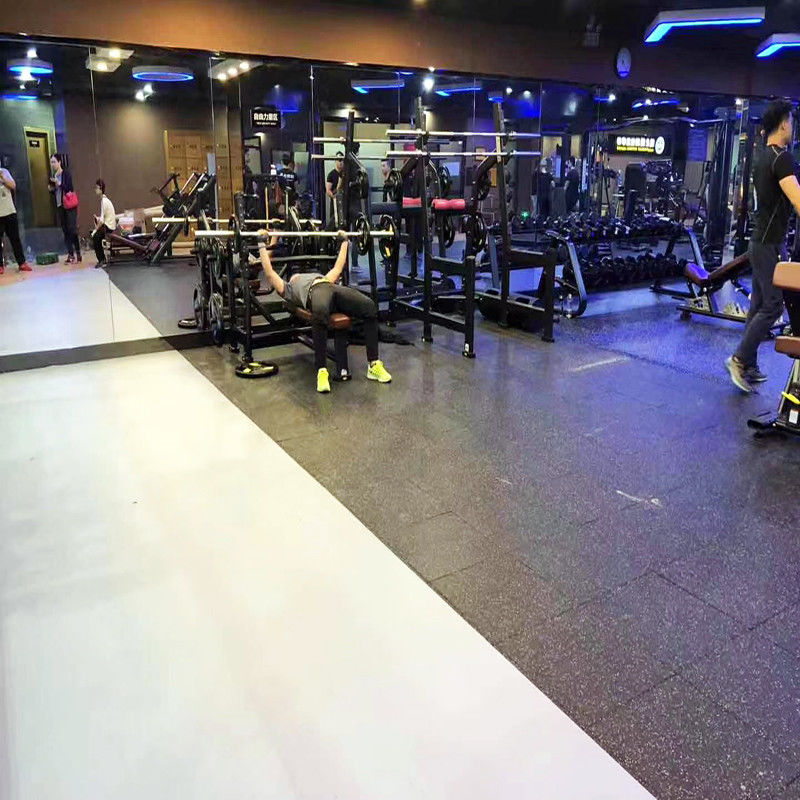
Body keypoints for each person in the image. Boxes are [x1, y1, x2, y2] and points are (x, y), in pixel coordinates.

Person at [257, 229, 392, 393]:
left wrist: (344, 241)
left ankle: (373, 364)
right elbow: (269, 273)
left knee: (369, 306)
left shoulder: (322, 277)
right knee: (320, 314)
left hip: (331, 288)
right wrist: (261, 244)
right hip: (315, 294)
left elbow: (338, 267)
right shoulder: (288, 288)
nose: (298, 275)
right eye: (295, 275)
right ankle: (322, 371)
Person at [726, 100, 800, 393]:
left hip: (760, 241)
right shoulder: (781, 159)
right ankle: (738, 359)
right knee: (773, 305)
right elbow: (797, 200)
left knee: (758, 305)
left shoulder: (761, 156)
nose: (793, 127)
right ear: (783, 123)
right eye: (791, 121)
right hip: (769, 244)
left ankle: (749, 364)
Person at [48, 153, 81, 263]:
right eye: (51, 162)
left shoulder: (65, 174)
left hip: (69, 205)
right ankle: (70, 254)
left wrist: (59, 183)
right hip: (60, 205)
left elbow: (69, 188)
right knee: (65, 230)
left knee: (72, 230)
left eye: (54, 162)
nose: (52, 164)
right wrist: (52, 189)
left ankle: (78, 252)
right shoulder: (53, 175)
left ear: (59, 162)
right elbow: (56, 191)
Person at [0, 166, 32, 274]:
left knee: (15, 239)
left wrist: (3, 179)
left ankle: (21, 263)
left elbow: (13, 185)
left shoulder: (4, 172)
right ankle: (0, 266)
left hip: (10, 211)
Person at [91, 179, 117, 268]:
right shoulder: (105, 200)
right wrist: (98, 219)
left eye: (96, 188)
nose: (95, 190)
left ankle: (102, 260)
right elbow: (103, 218)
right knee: (96, 236)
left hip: (109, 226)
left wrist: (95, 230)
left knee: (95, 237)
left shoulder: (104, 201)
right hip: (109, 225)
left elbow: (102, 221)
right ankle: (102, 259)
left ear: (101, 189)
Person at [326, 152, 344, 225]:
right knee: (334, 222)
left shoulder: (345, 174)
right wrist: (335, 198)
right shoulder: (331, 174)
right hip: (335, 203)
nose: (340, 162)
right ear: (335, 161)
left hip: (344, 202)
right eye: (339, 160)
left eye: (342, 160)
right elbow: (328, 191)